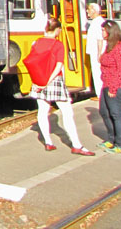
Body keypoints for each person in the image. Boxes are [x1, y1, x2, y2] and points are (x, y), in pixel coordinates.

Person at [30, 17, 95, 155]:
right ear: (58, 29)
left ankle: (48, 142)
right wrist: (48, 81)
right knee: (67, 113)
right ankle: (76, 145)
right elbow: (59, 66)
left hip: (38, 80)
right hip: (54, 81)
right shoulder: (58, 45)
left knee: (42, 111)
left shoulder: (35, 42)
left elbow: (33, 63)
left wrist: (40, 82)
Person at [97, 20, 121, 153]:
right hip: (106, 84)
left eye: (103, 30)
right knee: (104, 112)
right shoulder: (109, 46)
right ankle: (111, 139)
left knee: (116, 114)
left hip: (116, 86)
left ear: (110, 32)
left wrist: (114, 88)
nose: (102, 32)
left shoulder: (120, 48)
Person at [85, 3, 105, 99]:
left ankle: (100, 94)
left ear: (94, 10)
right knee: (97, 72)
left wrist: (99, 54)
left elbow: (100, 39)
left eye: (89, 9)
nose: (87, 11)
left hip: (97, 52)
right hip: (95, 51)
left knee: (98, 72)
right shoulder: (96, 22)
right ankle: (100, 93)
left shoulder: (98, 22)